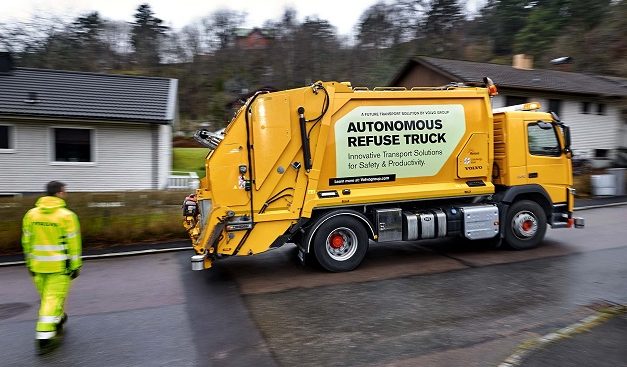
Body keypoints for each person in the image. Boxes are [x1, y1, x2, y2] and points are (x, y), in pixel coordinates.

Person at [22, 181, 82, 351]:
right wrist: (76, 266)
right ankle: (44, 336)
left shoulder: (31, 215)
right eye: (65, 192)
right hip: (59, 267)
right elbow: (74, 245)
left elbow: (26, 241)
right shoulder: (67, 216)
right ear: (59, 193)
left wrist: (29, 263)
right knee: (52, 299)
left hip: (37, 266)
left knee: (48, 298)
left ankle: (58, 319)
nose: (66, 194)